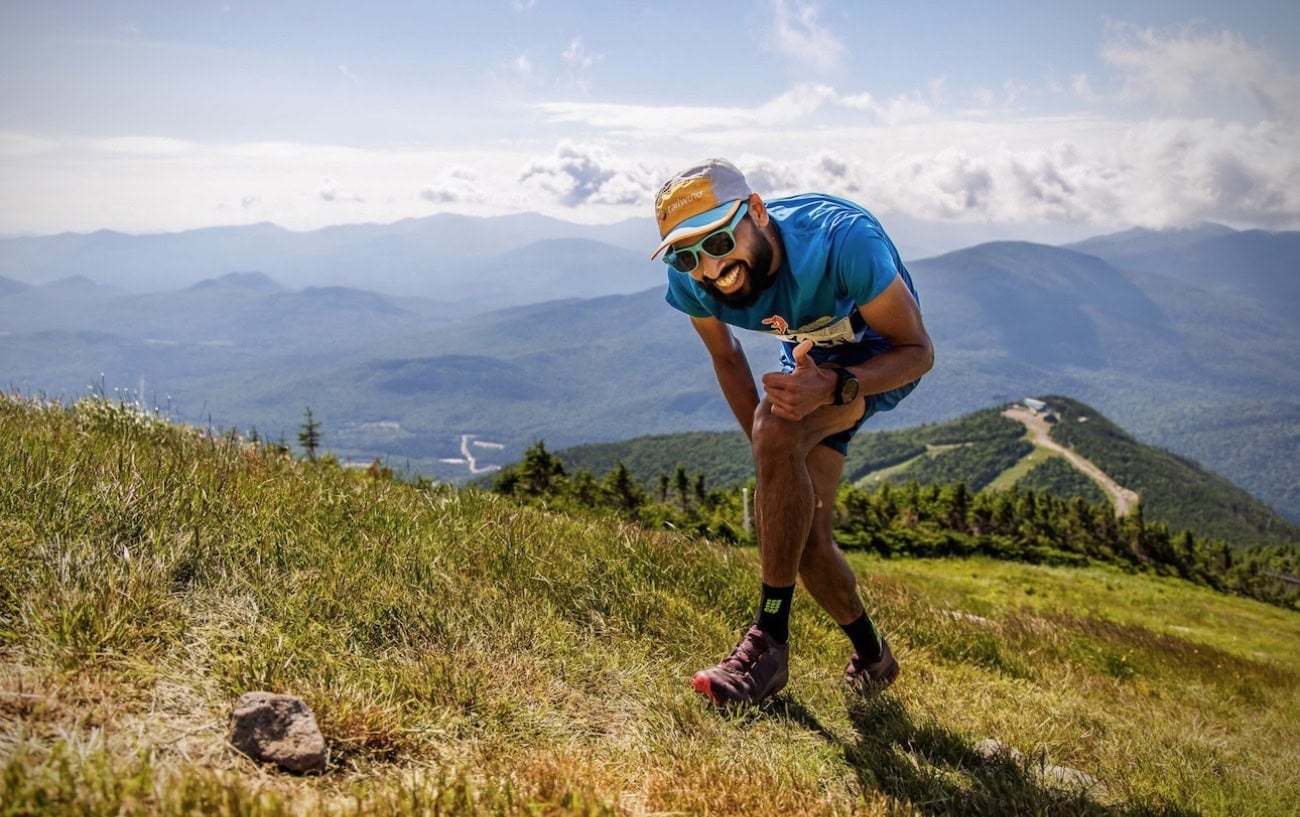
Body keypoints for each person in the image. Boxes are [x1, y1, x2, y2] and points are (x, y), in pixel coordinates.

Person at [651, 158, 934, 707]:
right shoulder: (691, 281)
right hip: (810, 364)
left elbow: (918, 352)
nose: (708, 268)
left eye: (717, 241)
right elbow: (728, 359)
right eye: (687, 254)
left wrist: (832, 386)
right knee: (803, 543)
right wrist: (772, 455)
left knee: (778, 428)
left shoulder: (841, 241)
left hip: (879, 362)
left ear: (756, 211)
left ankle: (768, 644)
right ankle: (875, 657)